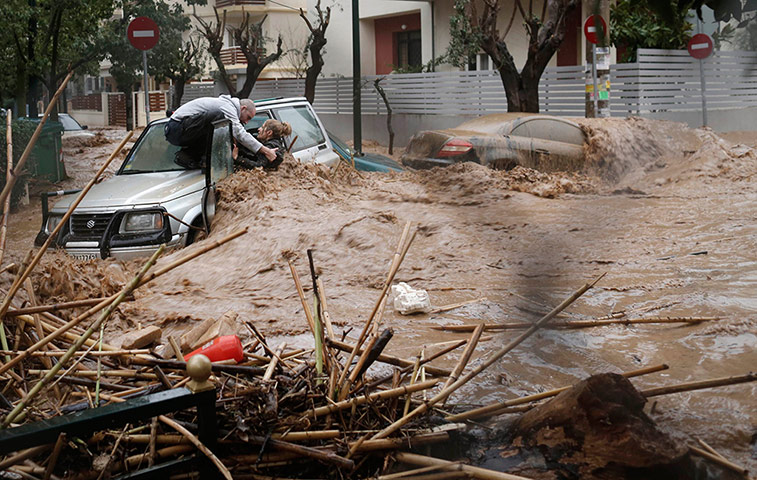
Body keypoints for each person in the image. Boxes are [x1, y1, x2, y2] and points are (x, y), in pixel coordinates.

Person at [164, 95, 277, 168]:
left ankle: (190, 156)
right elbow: (239, 133)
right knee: (222, 118)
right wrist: (266, 151)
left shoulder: (228, 107)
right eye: (248, 117)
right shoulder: (226, 107)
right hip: (176, 128)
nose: (247, 122)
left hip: (182, 131)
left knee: (224, 128)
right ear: (243, 108)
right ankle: (205, 160)